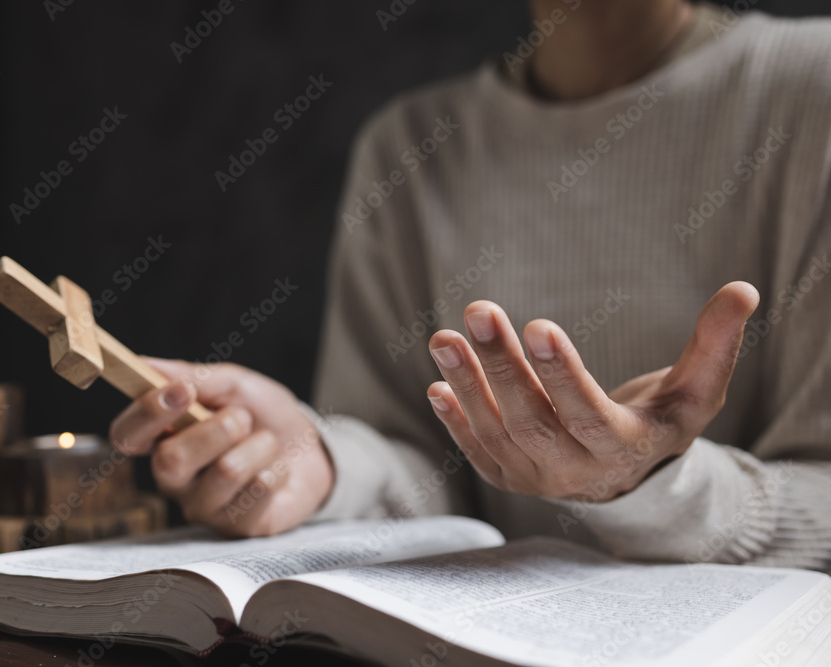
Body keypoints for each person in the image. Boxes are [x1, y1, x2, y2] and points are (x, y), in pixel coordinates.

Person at [110, 0, 831, 570]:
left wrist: (652, 482)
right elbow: (416, 461)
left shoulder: (810, 90)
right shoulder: (410, 147)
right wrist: (314, 460)